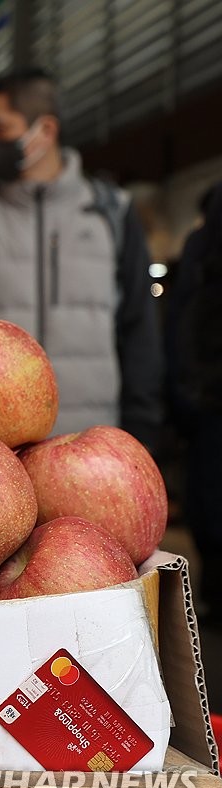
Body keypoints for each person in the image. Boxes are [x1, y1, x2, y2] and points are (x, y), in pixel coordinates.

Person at [0, 68, 162, 449]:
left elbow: (139, 325)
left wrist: (143, 426)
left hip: (94, 440)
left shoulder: (111, 213)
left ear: (46, 131)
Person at [166, 185, 222, 622]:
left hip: (207, 402)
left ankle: (216, 594)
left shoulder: (200, 247)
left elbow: (180, 328)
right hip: (207, 401)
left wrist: (184, 399)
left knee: (209, 502)